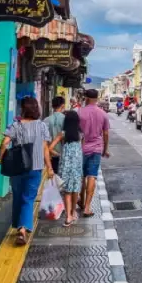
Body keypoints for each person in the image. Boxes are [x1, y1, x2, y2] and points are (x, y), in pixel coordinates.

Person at [0, 97, 53, 245]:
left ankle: (18, 226)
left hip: (17, 167)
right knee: (28, 198)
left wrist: (0, 158)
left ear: (23, 109)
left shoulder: (15, 125)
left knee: (17, 196)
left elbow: (5, 143)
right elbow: (45, 148)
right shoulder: (41, 126)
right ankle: (23, 228)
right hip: (35, 167)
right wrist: (50, 167)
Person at [77, 89, 110, 217]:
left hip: (81, 148)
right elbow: (106, 134)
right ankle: (87, 207)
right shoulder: (103, 114)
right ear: (96, 98)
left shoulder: (79, 112)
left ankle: (81, 200)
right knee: (92, 176)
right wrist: (105, 150)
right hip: (96, 148)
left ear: (86, 98)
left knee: (81, 176)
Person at [48, 110, 83, 225]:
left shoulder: (63, 134)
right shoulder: (80, 135)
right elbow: (81, 150)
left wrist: (60, 154)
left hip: (65, 166)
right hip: (77, 166)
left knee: (67, 191)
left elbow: (50, 148)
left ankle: (68, 217)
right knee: (75, 190)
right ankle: (73, 212)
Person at [44, 96, 66, 173]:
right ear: (63, 105)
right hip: (62, 153)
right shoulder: (65, 119)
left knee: (51, 177)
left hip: (48, 154)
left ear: (52, 106)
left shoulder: (46, 120)